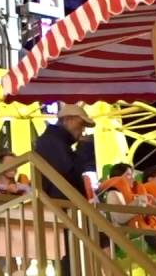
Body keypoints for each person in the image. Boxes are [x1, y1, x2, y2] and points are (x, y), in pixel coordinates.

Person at [32, 103, 95, 273]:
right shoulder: (52, 142)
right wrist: (84, 150)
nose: (82, 131)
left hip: (62, 210)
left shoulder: (53, 142)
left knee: (71, 258)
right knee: (70, 258)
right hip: (63, 210)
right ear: (69, 120)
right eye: (81, 125)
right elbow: (68, 173)